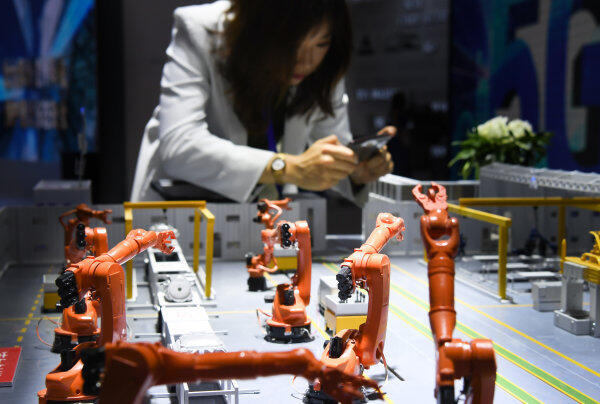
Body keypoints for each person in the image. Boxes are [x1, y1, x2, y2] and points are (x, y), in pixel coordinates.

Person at [131, 0, 395, 204]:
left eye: (321, 43)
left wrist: (354, 171)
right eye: (294, 43)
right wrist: (286, 167)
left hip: (268, 215)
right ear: (259, 29)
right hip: (181, 207)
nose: (306, 61)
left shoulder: (325, 67)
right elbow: (180, 146)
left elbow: (329, 146)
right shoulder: (202, 30)